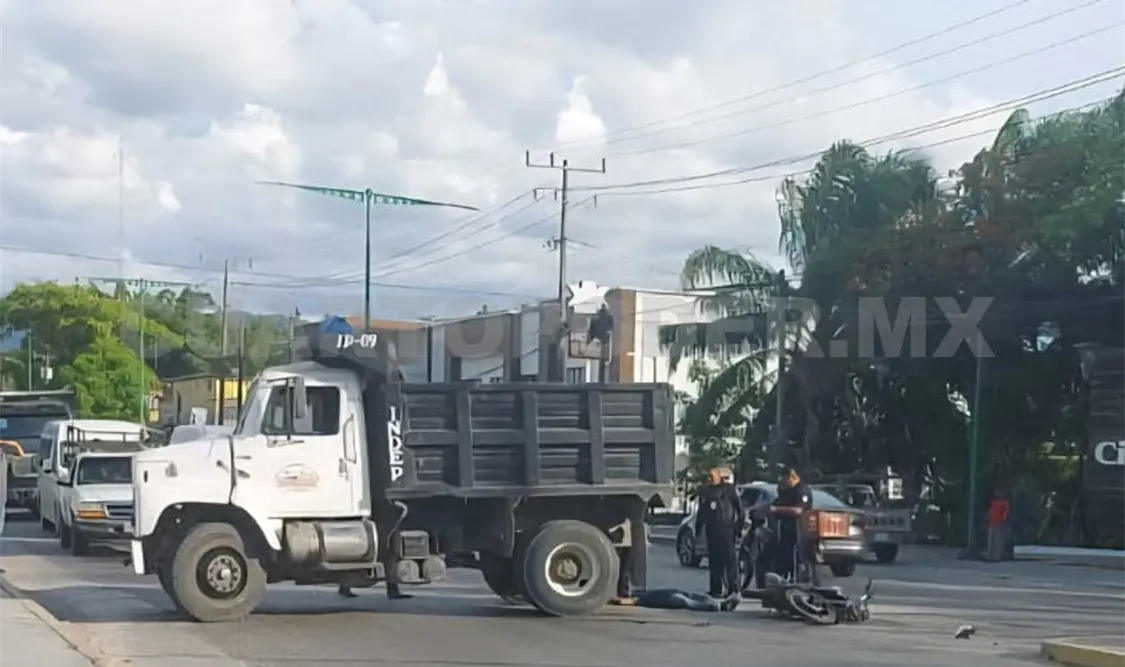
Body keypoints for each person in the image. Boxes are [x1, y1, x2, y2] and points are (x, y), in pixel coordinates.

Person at [695, 467, 744, 599]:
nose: (710, 479)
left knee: (730, 561)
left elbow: (740, 510)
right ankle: (715, 589)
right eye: (708, 477)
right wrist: (698, 529)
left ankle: (733, 588)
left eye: (712, 476)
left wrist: (739, 529)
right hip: (712, 530)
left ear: (719, 477)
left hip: (727, 529)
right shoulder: (706, 491)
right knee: (714, 561)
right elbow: (702, 512)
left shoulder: (729, 490)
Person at [768, 468, 813, 582]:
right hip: (785, 529)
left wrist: (776, 509)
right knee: (783, 554)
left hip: (799, 529)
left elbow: (799, 510)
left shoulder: (802, 490)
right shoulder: (785, 491)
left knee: (796, 555)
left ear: (793, 477)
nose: (782, 479)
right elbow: (775, 504)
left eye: (785, 476)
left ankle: (797, 578)